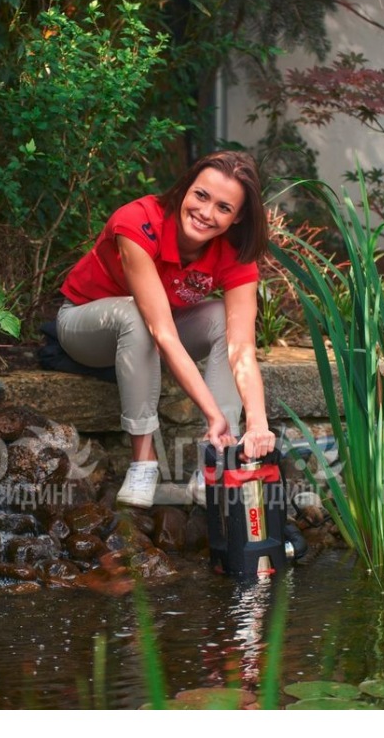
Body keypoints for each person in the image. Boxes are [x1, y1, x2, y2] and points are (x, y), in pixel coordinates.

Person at [56, 150, 277, 508]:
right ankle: (144, 464)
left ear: (237, 217)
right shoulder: (138, 221)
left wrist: (257, 423)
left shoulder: (235, 253)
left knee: (223, 318)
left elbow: (241, 349)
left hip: (155, 333)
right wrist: (211, 412)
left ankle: (216, 461)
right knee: (136, 315)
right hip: (84, 327)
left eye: (223, 207)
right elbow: (162, 332)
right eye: (201, 195)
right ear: (186, 188)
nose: (206, 213)